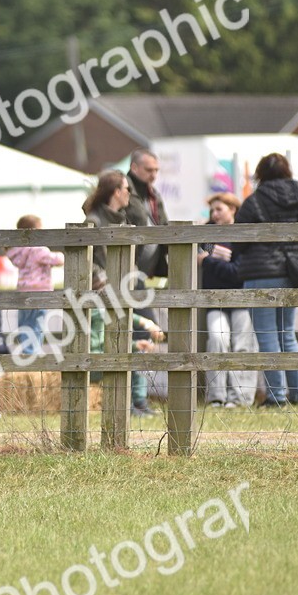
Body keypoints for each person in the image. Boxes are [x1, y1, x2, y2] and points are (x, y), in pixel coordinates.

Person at [233, 153, 298, 407]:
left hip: (260, 276)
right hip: (291, 274)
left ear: (260, 174)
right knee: (287, 334)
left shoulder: (254, 201)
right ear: (287, 171)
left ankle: (275, 397)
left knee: (267, 337)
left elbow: (236, 242)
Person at [83, 170, 156, 416]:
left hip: (126, 291)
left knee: (133, 344)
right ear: (116, 192)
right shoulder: (93, 221)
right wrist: (104, 286)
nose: (129, 195)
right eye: (127, 189)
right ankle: (125, 405)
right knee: (116, 347)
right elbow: (87, 260)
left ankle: (137, 403)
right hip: (104, 296)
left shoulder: (122, 219)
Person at [198, 192, 256, 408]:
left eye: (219, 209)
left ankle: (239, 398)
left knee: (242, 345)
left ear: (232, 210)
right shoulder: (205, 236)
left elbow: (238, 271)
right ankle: (216, 396)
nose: (214, 214)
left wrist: (208, 262)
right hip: (215, 300)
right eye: (212, 210)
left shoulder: (242, 235)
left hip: (241, 298)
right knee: (217, 339)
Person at [6, 215, 63, 354]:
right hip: (39, 293)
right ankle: (33, 357)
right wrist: (62, 255)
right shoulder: (38, 249)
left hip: (23, 292)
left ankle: (26, 353)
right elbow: (57, 260)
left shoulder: (18, 250)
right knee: (37, 327)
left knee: (25, 326)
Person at [124, 149, 169, 279]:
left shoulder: (153, 194)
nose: (154, 175)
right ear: (134, 167)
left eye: (156, 170)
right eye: (149, 170)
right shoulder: (121, 190)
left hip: (146, 271)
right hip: (125, 265)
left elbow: (165, 226)